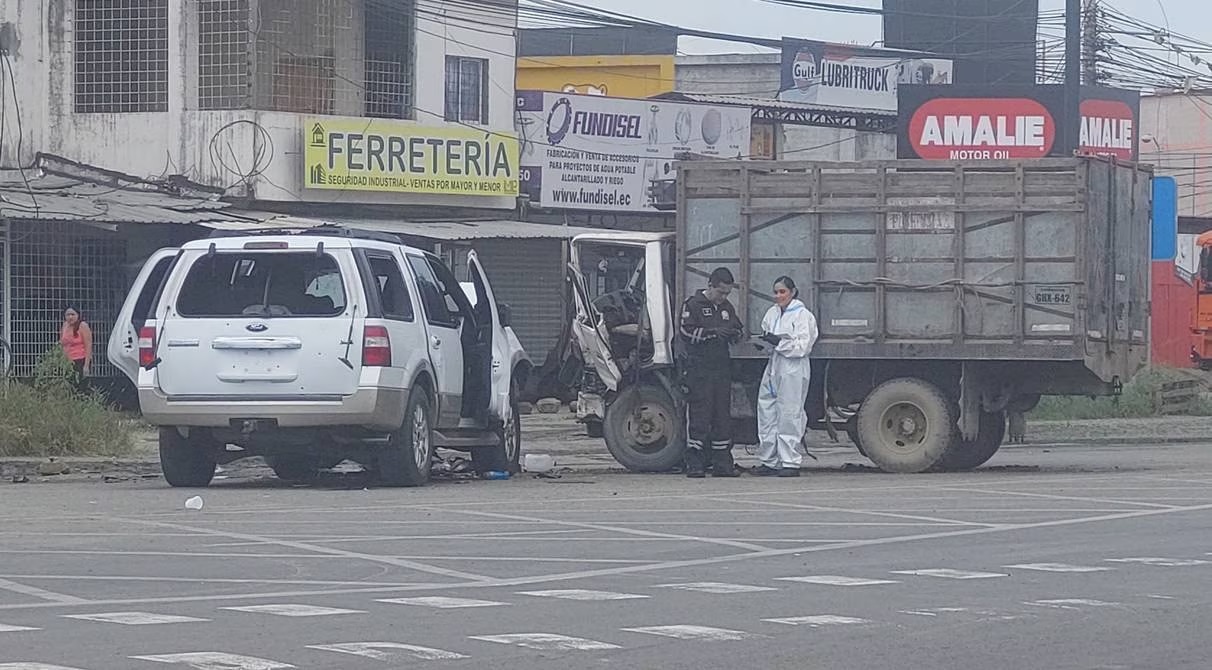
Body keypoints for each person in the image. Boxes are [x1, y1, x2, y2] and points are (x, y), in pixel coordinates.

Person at [679, 267, 745, 478]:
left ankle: (722, 463)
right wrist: (711, 333)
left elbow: (737, 329)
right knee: (699, 415)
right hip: (699, 369)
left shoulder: (726, 307)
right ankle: (695, 463)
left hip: (721, 369)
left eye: (727, 293)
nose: (723, 297)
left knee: (722, 417)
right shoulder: (693, 305)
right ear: (711, 285)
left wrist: (734, 334)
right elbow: (686, 331)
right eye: (721, 292)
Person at [753, 277, 819, 478]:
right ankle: (769, 459)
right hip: (773, 365)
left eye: (782, 292)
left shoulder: (803, 316)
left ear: (792, 292)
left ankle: (790, 460)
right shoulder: (772, 313)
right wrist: (765, 344)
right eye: (776, 292)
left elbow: (802, 347)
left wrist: (779, 343)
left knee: (790, 412)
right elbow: (768, 335)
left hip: (793, 368)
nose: (778, 296)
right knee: (766, 411)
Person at [60, 307, 93, 384]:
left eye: (73, 314)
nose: (70, 317)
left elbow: (88, 345)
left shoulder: (83, 326)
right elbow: (62, 343)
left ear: (78, 315)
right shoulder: (65, 326)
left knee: (80, 384)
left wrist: (86, 365)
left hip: (81, 360)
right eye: (68, 315)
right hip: (68, 361)